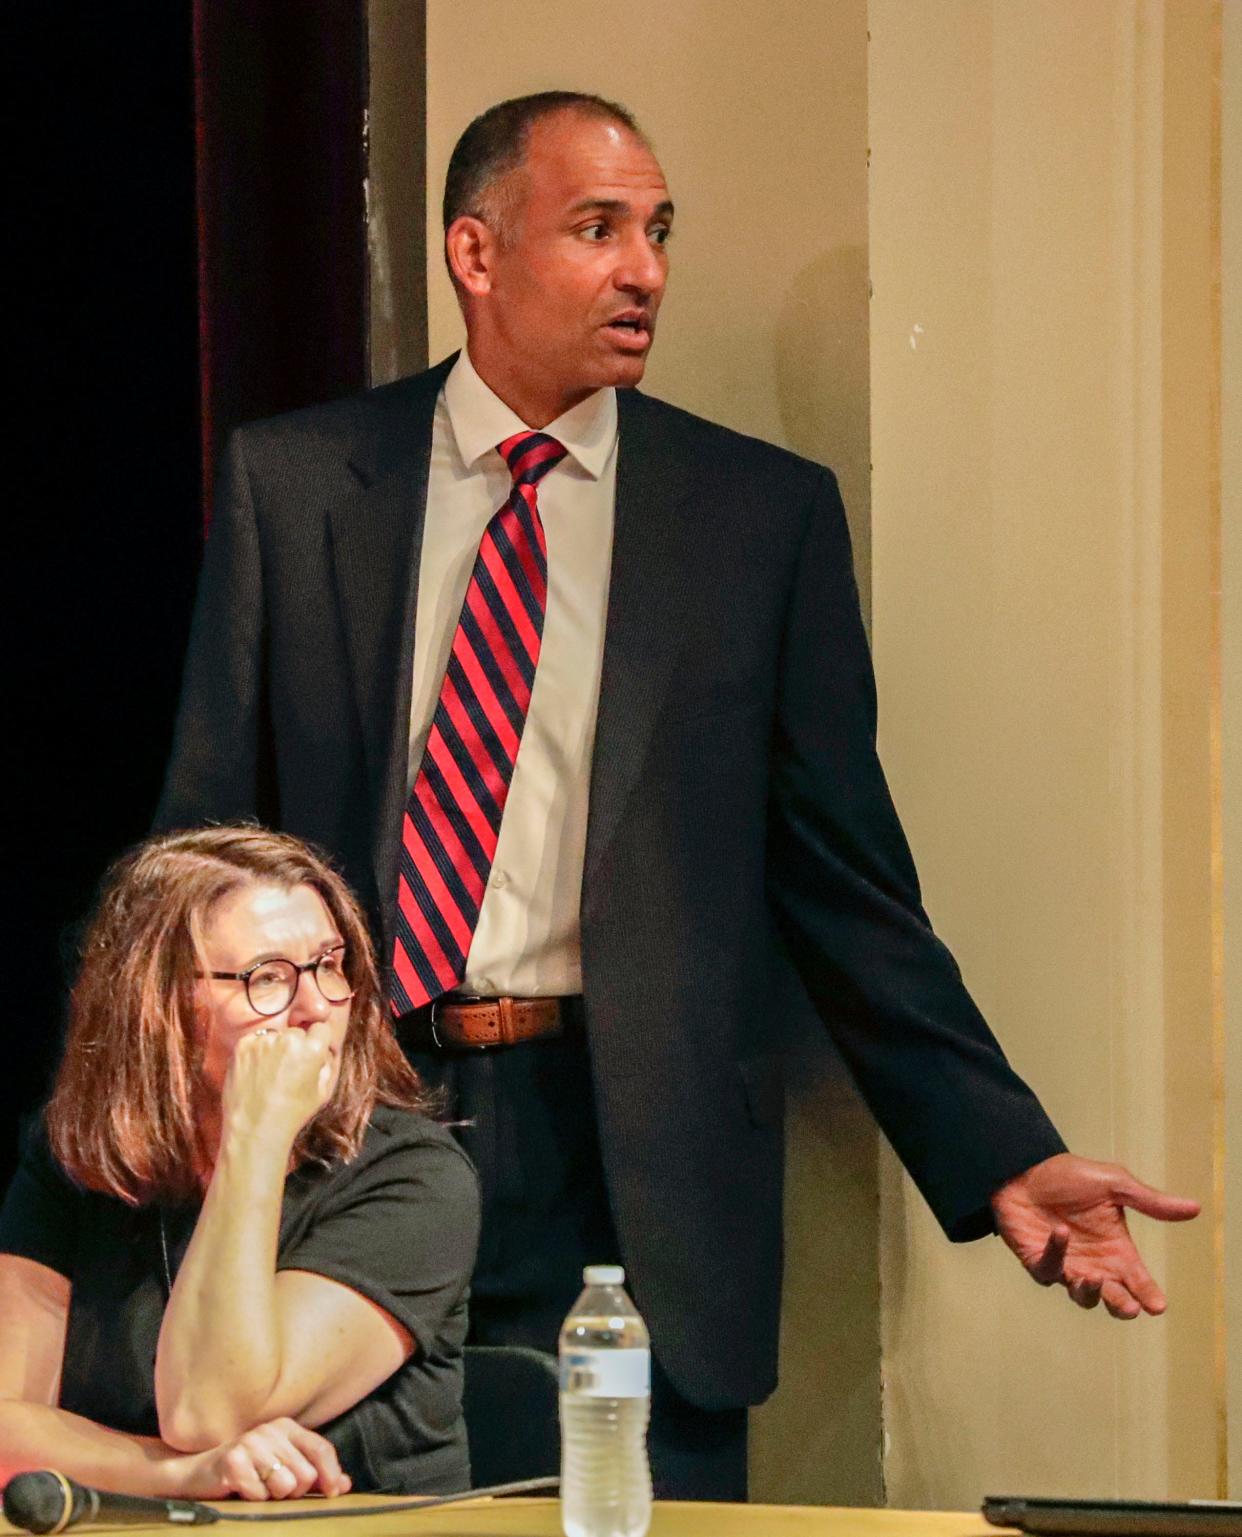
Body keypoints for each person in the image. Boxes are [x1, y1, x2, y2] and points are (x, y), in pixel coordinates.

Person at [155, 92, 1200, 1499]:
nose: (643, 267)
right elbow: (203, 858)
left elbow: (846, 884)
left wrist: (998, 1151)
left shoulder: (753, 520)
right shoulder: (295, 485)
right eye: (595, 229)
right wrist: (169, 1141)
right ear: (475, 253)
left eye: (656, 231)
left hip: (628, 1157)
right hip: (360, 1123)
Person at [0, 826, 480, 1499]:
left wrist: (254, 1137)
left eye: (329, 963)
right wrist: (181, 1474)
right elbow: (5, 1428)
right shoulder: (76, 1163)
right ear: (158, 1004)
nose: (316, 1007)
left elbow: (211, 1409)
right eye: (269, 978)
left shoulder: (416, 1178)